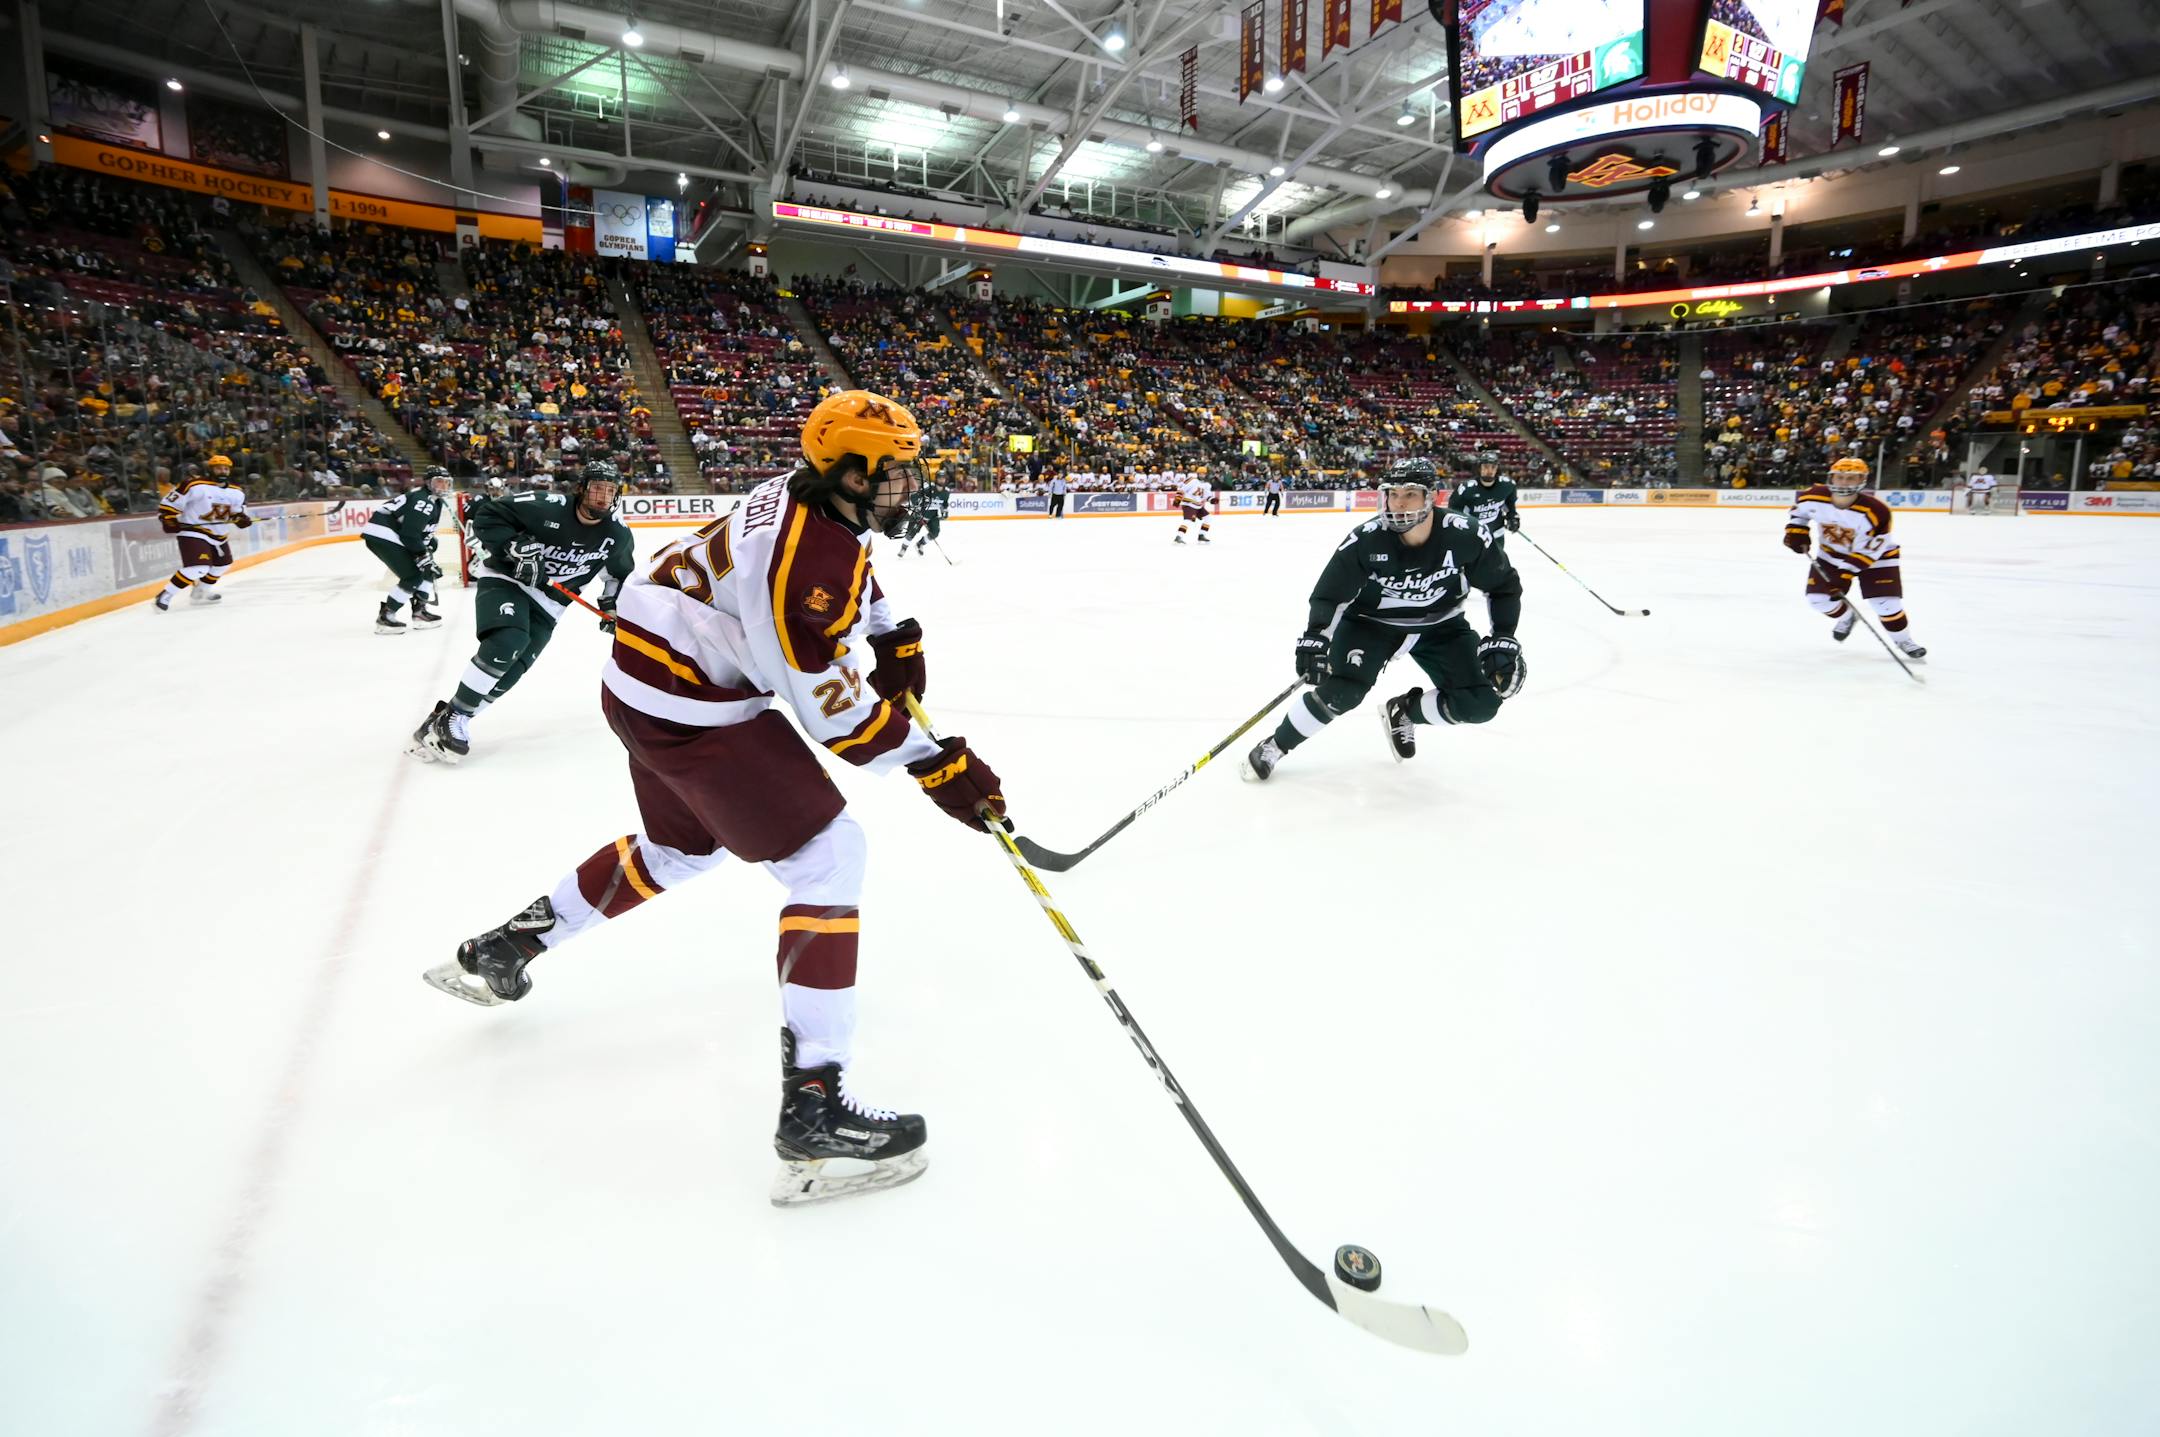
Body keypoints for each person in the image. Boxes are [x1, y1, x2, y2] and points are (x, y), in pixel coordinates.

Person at [425, 389, 1007, 1207]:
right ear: (849, 471)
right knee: (830, 856)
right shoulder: (799, 563)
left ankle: (510, 944)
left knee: (680, 850)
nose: (907, 487)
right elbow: (828, 711)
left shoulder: (802, 491)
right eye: (894, 473)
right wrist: (936, 762)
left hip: (640, 683)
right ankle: (816, 1112)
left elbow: (852, 563)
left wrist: (890, 631)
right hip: (689, 704)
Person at [1243, 458, 1525, 781]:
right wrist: (1316, 636)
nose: (1399, 504)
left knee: (1482, 702)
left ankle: (1405, 712)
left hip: (1441, 625)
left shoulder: (1466, 535)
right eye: (1393, 494)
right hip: (1371, 623)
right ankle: (1275, 745)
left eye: (1410, 494)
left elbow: (1503, 586)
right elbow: (1330, 593)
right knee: (1342, 691)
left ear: (1432, 496)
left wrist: (1504, 635)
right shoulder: (1366, 538)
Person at [409, 461, 636, 763]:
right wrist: (514, 545)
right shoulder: (546, 506)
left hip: (551, 603)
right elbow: (488, 516)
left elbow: (619, 576)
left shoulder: (617, 534)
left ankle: (448, 718)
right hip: (507, 580)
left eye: (610, 491)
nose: (603, 497)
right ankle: (455, 716)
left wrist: (612, 607)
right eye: (597, 488)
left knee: (514, 669)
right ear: (581, 488)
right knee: (508, 641)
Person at [1783, 455, 1926, 660]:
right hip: (1831, 555)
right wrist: (1797, 531)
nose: (1844, 482)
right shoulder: (1812, 496)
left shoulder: (1877, 511)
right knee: (1818, 600)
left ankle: (1903, 640)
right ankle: (1848, 616)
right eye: (1840, 477)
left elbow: (1869, 550)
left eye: (1851, 478)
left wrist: (1845, 575)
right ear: (1831, 477)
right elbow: (1800, 513)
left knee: (1885, 604)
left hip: (1878, 558)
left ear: (1862, 481)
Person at [152, 455, 254, 611]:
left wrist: (240, 519)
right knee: (198, 568)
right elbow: (169, 505)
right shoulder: (194, 485)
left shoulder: (237, 492)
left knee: (222, 565)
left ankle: (200, 593)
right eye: (218, 468)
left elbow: (236, 513)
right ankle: (165, 595)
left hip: (219, 534)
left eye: (226, 468)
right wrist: (168, 518)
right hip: (193, 531)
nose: (223, 471)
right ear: (210, 469)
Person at [365, 466, 452, 634]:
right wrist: (422, 556)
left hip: (393, 535)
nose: (443, 486)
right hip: (384, 535)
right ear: (428, 483)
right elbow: (410, 535)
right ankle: (386, 616)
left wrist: (428, 547)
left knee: (428, 570)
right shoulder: (424, 500)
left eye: (446, 482)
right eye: (438, 482)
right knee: (413, 576)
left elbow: (420, 532)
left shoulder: (434, 500)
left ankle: (420, 612)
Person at [1447, 450, 1519, 545]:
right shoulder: (1466, 488)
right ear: (1479, 468)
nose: (1489, 471)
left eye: (1493, 467)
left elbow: (1510, 503)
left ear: (1497, 469)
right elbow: (1454, 510)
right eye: (1486, 466)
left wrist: (1512, 516)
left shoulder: (1507, 485)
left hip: (1496, 533)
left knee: (1497, 555)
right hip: (1473, 533)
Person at [899, 469, 949, 557]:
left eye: (943, 478)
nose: (941, 480)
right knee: (911, 533)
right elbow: (914, 496)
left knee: (935, 532)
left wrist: (945, 511)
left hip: (932, 516)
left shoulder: (946, 492)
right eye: (940, 478)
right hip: (920, 514)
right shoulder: (928, 487)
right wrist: (920, 502)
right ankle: (904, 548)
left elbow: (944, 503)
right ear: (936, 478)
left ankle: (920, 544)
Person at [1173, 471, 1213, 545]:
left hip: (1198, 505)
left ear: (1206, 475)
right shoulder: (1192, 480)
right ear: (1198, 474)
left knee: (1208, 518)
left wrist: (1212, 499)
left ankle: (1201, 535)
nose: (1202, 475)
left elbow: (1207, 495)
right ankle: (1178, 537)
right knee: (1187, 520)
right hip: (1188, 504)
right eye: (1200, 473)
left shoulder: (1207, 484)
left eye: (1203, 473)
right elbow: (1182, 489)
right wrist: (1178, 498)